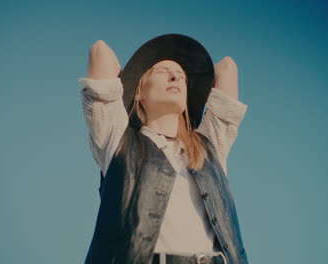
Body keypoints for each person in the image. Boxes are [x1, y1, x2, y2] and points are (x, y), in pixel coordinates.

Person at [78, 34, 249, 264]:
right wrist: (126, 78)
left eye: (181, 77)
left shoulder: (210, 147)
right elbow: (100, 53)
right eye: (163, 72)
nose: (175, 76)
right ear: (138, 92)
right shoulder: (118, 139)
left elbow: (227, 68)